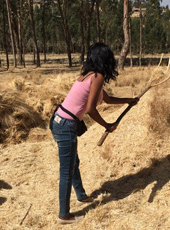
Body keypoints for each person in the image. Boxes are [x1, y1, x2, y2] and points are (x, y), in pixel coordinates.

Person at [50, 43, 138, 224]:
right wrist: (107, 125)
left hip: (60, 120)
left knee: (73, 163)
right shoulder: (97, 76)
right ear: (106, 59)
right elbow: (91, 109)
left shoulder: (88, 75)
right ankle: (64, 215)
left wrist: (129, 100)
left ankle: (81, 196)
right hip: (66, 124)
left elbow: (107, 99)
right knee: (67, 170)